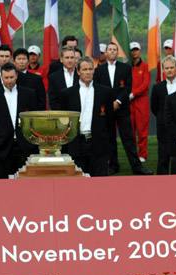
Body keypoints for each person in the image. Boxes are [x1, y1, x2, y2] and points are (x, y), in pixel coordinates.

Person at [93, 42, 152, 175]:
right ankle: (113, 165)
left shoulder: (125, 68)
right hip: (106, 110)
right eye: (110, 49)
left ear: (117, 53)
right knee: (110, 138)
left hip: (122, 108)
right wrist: (109, 104)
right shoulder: (99, 70)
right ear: (106, 53)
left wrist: (118, 101)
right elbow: (98, 89)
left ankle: (137, 167)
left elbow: (128, 87)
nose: (112, 51)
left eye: (115, 49)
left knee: (128, 138)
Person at [54, 57, 113, 176]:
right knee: (77, 184)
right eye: (85, 69)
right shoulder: (67, 94)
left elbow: (110, 121)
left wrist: (108, 146)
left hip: (98, 144)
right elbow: (63, 122)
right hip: (76, 144)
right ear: (78, 71)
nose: (88, 72)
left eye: (90, 69)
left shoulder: (105, 92)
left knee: (99, 183)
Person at [0, 63, 37, 179]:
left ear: (16, 76)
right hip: (2, 148)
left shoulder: (29, 94)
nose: (9, 81)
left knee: (26, 184)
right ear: (1, 77)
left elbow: (35, 121)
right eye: (6, 78)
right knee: (1, 187)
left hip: (25, 148)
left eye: (11, 77)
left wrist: (31, 144)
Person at [150, 56, 176, 175]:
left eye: (172, 67)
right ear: (163, 70)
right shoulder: (158, 88)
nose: (169, 70)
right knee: (163, 156)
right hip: (163, 128)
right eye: (167, 68)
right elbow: (154, 107)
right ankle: (162, 182)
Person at [129, 42, 151, 163]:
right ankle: (133, 155)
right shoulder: (127, 67)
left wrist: (133, 93)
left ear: (140, 51)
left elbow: (145, 84)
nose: (134, 52)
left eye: (136, 49)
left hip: (141, 101)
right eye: (132, 50)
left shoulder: (145, 66)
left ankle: (142, 154)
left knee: (142, 130)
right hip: (129, 102)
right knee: (130, 130)